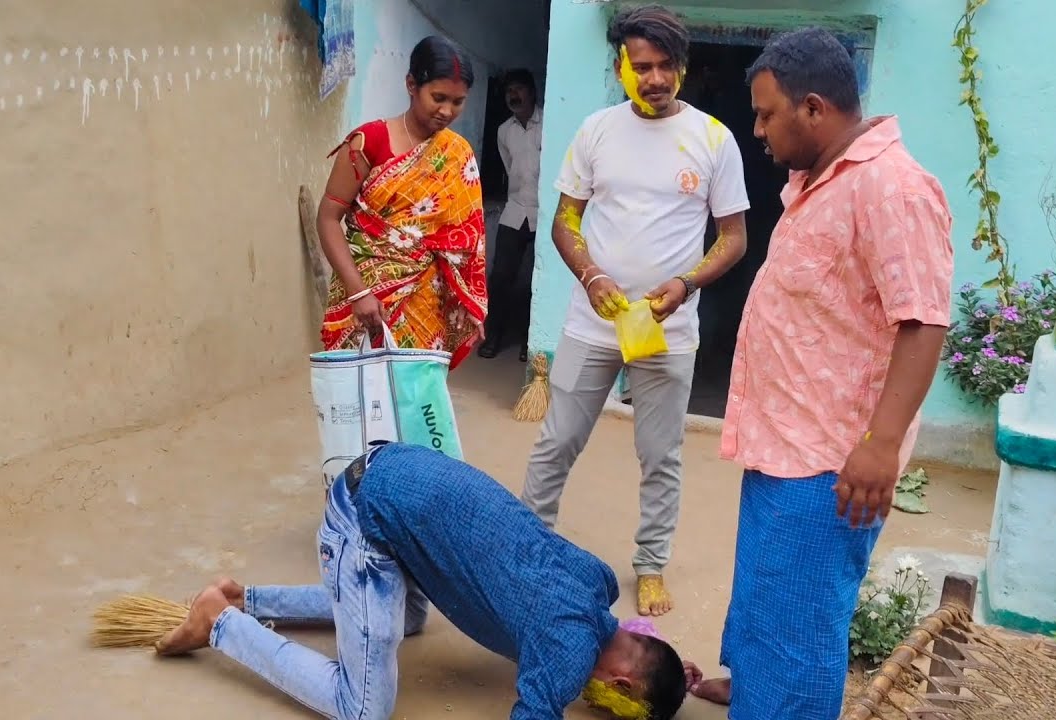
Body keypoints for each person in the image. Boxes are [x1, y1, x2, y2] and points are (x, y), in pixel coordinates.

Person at [689, 28, 954, 719]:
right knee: (765, 597)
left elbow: (923, 322)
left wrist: (880, 445)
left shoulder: (892, 188)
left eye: (766, 114)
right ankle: (753, 689)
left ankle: (777, 703)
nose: (757, 129)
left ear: (813, 108)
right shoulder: (819, 183)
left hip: (830, 465)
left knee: (799, 629)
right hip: (782, 446)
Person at [154, 442, 693, 720]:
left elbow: (602, 642)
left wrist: (670, 676)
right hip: (363, 521)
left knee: (409, 619)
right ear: (621, 685)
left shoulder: (598, 584)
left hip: (397, 472)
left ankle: (245, 598)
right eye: (616, 706)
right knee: (362, 707)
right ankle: (219, 621)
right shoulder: (566, 653)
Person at [520, 4, 750, 618]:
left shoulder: (713, 139)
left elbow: (733, 238)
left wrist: (686, 283)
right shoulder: (596, 130)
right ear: (621, 64)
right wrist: (591, 275)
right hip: (591, 321)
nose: (654, 78)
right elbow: (565, 221)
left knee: (660, 454)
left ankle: (650, 565)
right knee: (557, 440)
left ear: (683, 66)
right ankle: (526, 546)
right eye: (641, 66)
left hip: (667, 329)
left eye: (665, 65)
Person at [316, 35, 488, 369]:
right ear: (411, 85)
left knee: (416, 392)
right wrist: (358, 292)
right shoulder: (369, 142)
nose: (447, 111)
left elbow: (467, 237)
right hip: (365, 295)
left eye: (458, 102)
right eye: (438, 98)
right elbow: (327, 217)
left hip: (426, 301)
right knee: (361, 390)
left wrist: (466, 299)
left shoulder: (457, 153)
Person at [479, 68, 543, 361]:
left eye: (518, 89)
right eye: (508, 91)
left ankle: (531, 342)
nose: (513, 96)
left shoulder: (549, 123)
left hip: (544, 212)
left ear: (532, 92)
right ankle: (494, 337)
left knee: (537, 282)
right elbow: (509, 167)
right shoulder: (504, 131)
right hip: (515, 211)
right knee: (501, 278)